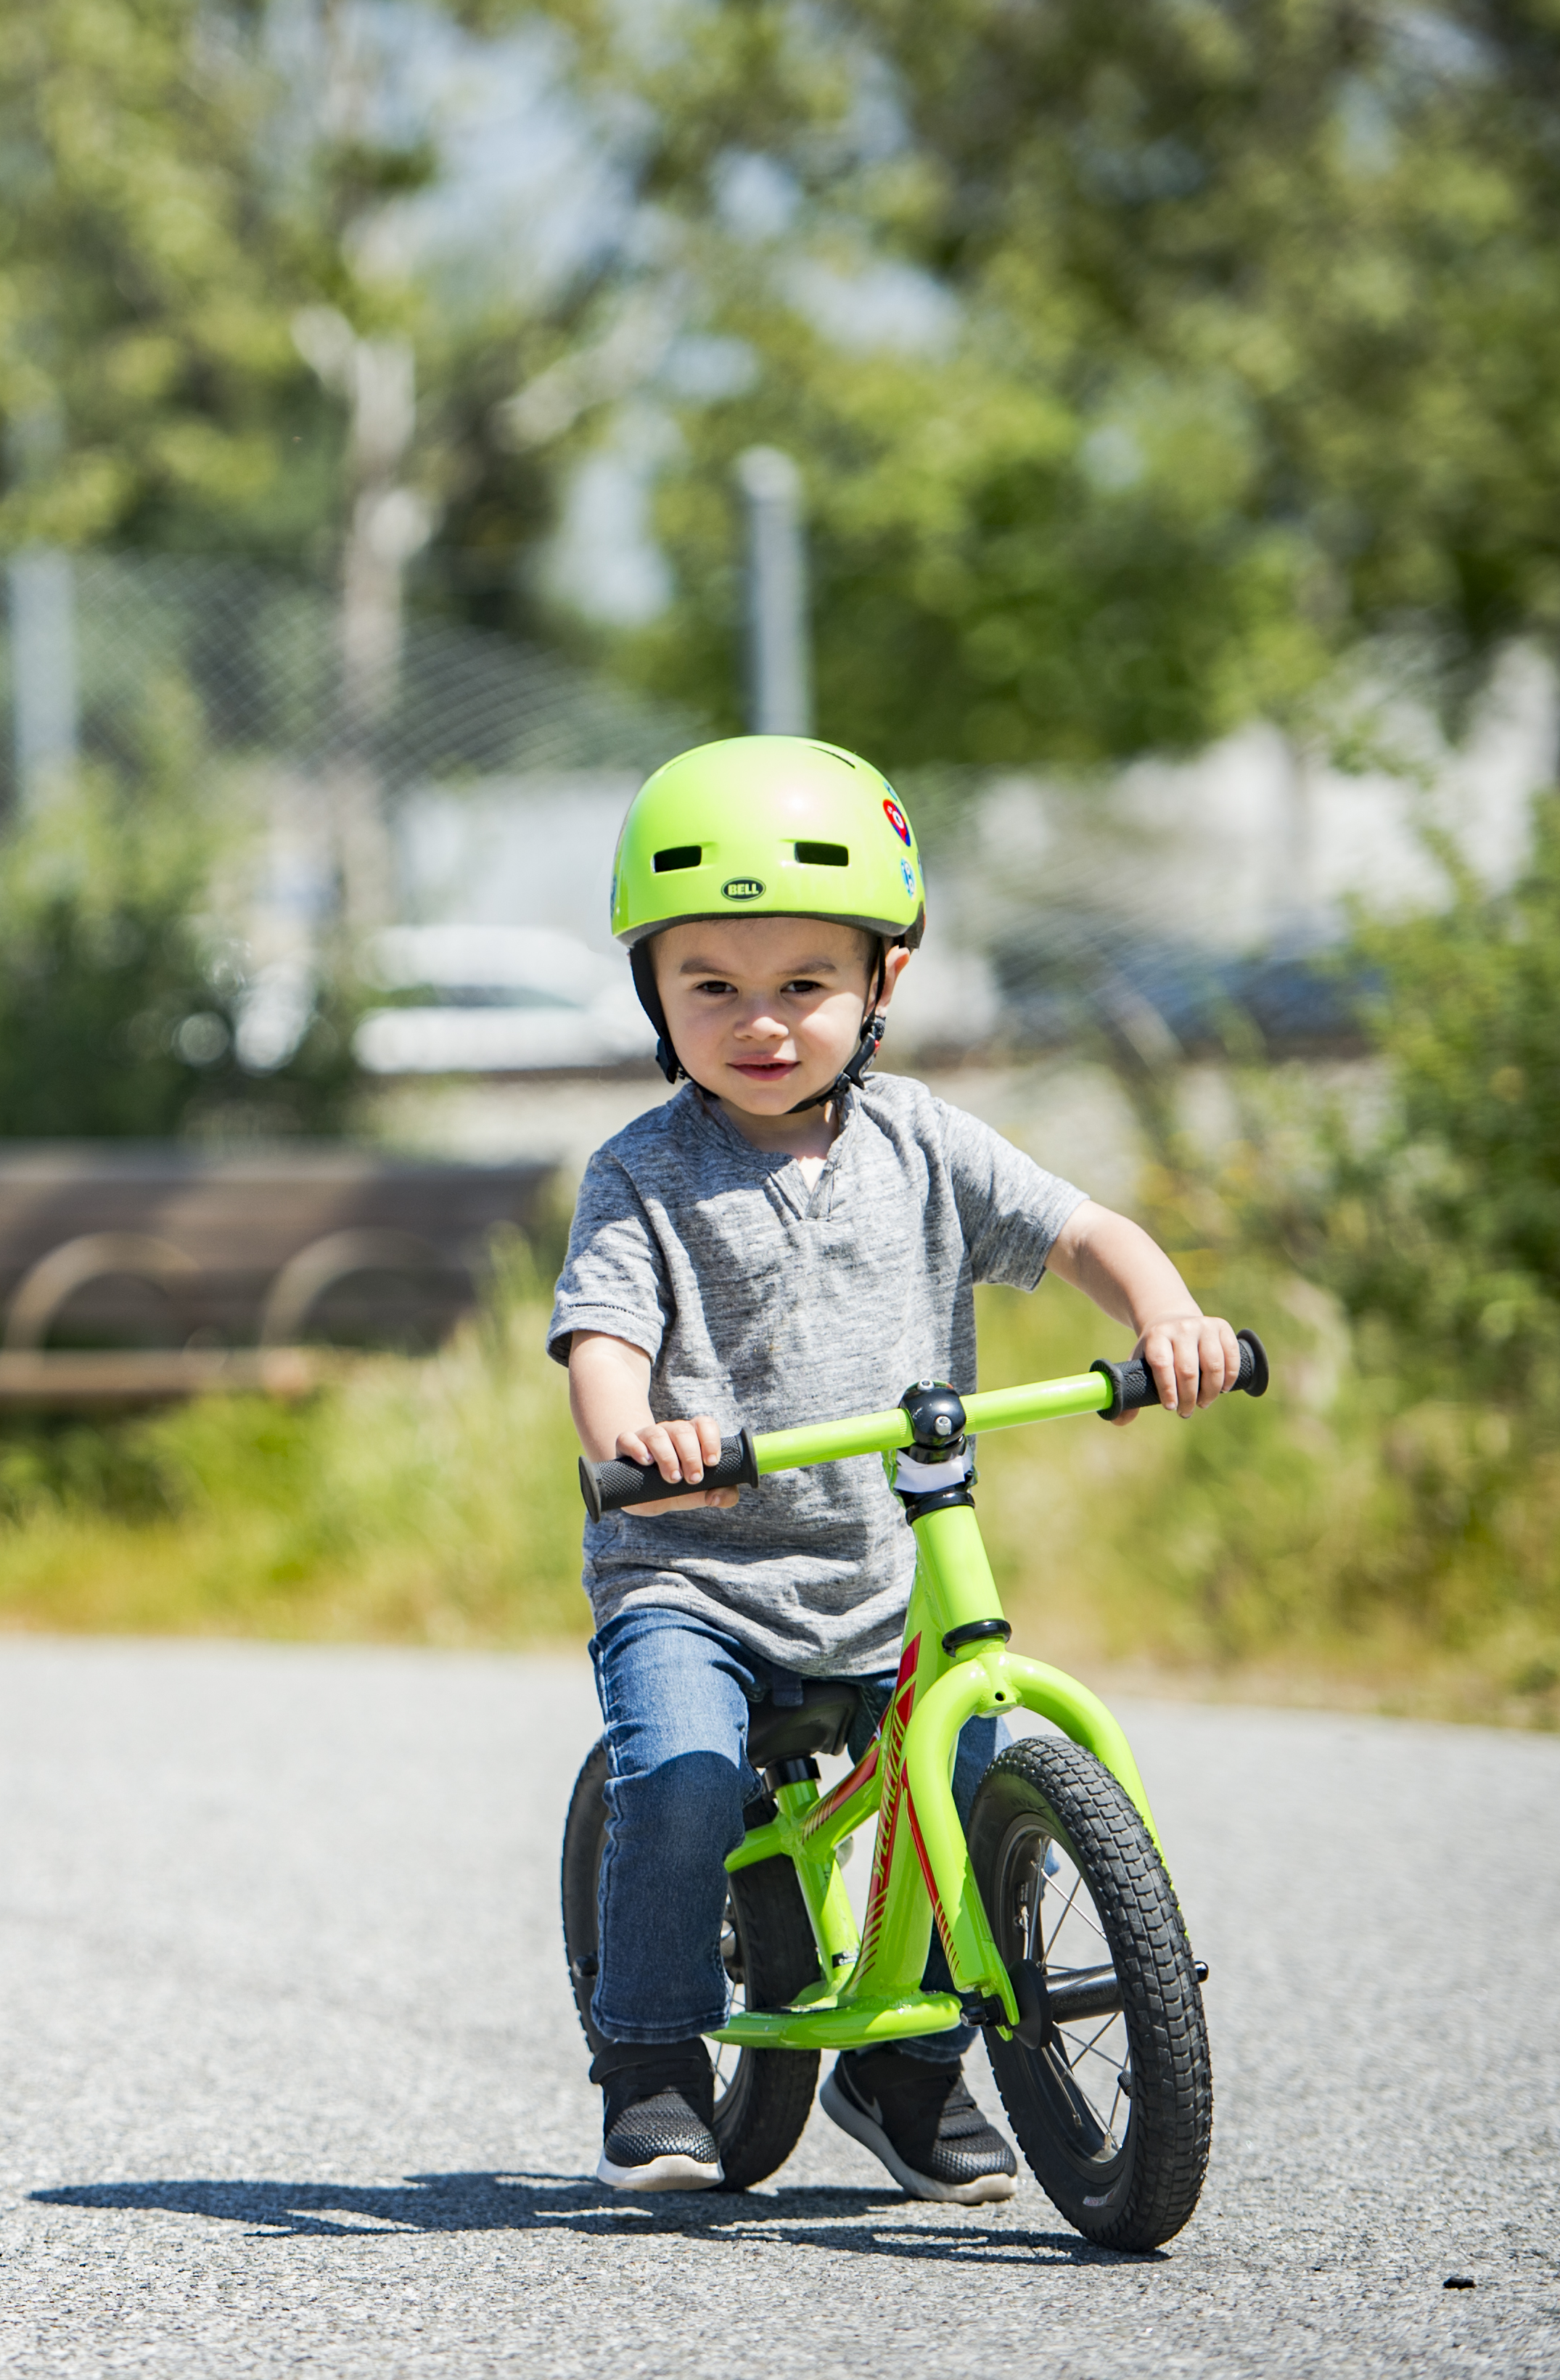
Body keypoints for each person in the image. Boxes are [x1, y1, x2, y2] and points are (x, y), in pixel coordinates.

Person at [549, 735, 1241, 2198]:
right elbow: (602, 1337)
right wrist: (637, 1444)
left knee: (976, 1768)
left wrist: (1164, 1315)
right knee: (676, 1772)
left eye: (804, 982)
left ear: (883, 983)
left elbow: (1082, 1232)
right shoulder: (638, 1171)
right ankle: (652, 2059)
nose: (761, 1020)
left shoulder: (922, 1141)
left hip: (888, 1559)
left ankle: (908, 2073)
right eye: (711, 986)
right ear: (652, 994)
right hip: (699, 1573)